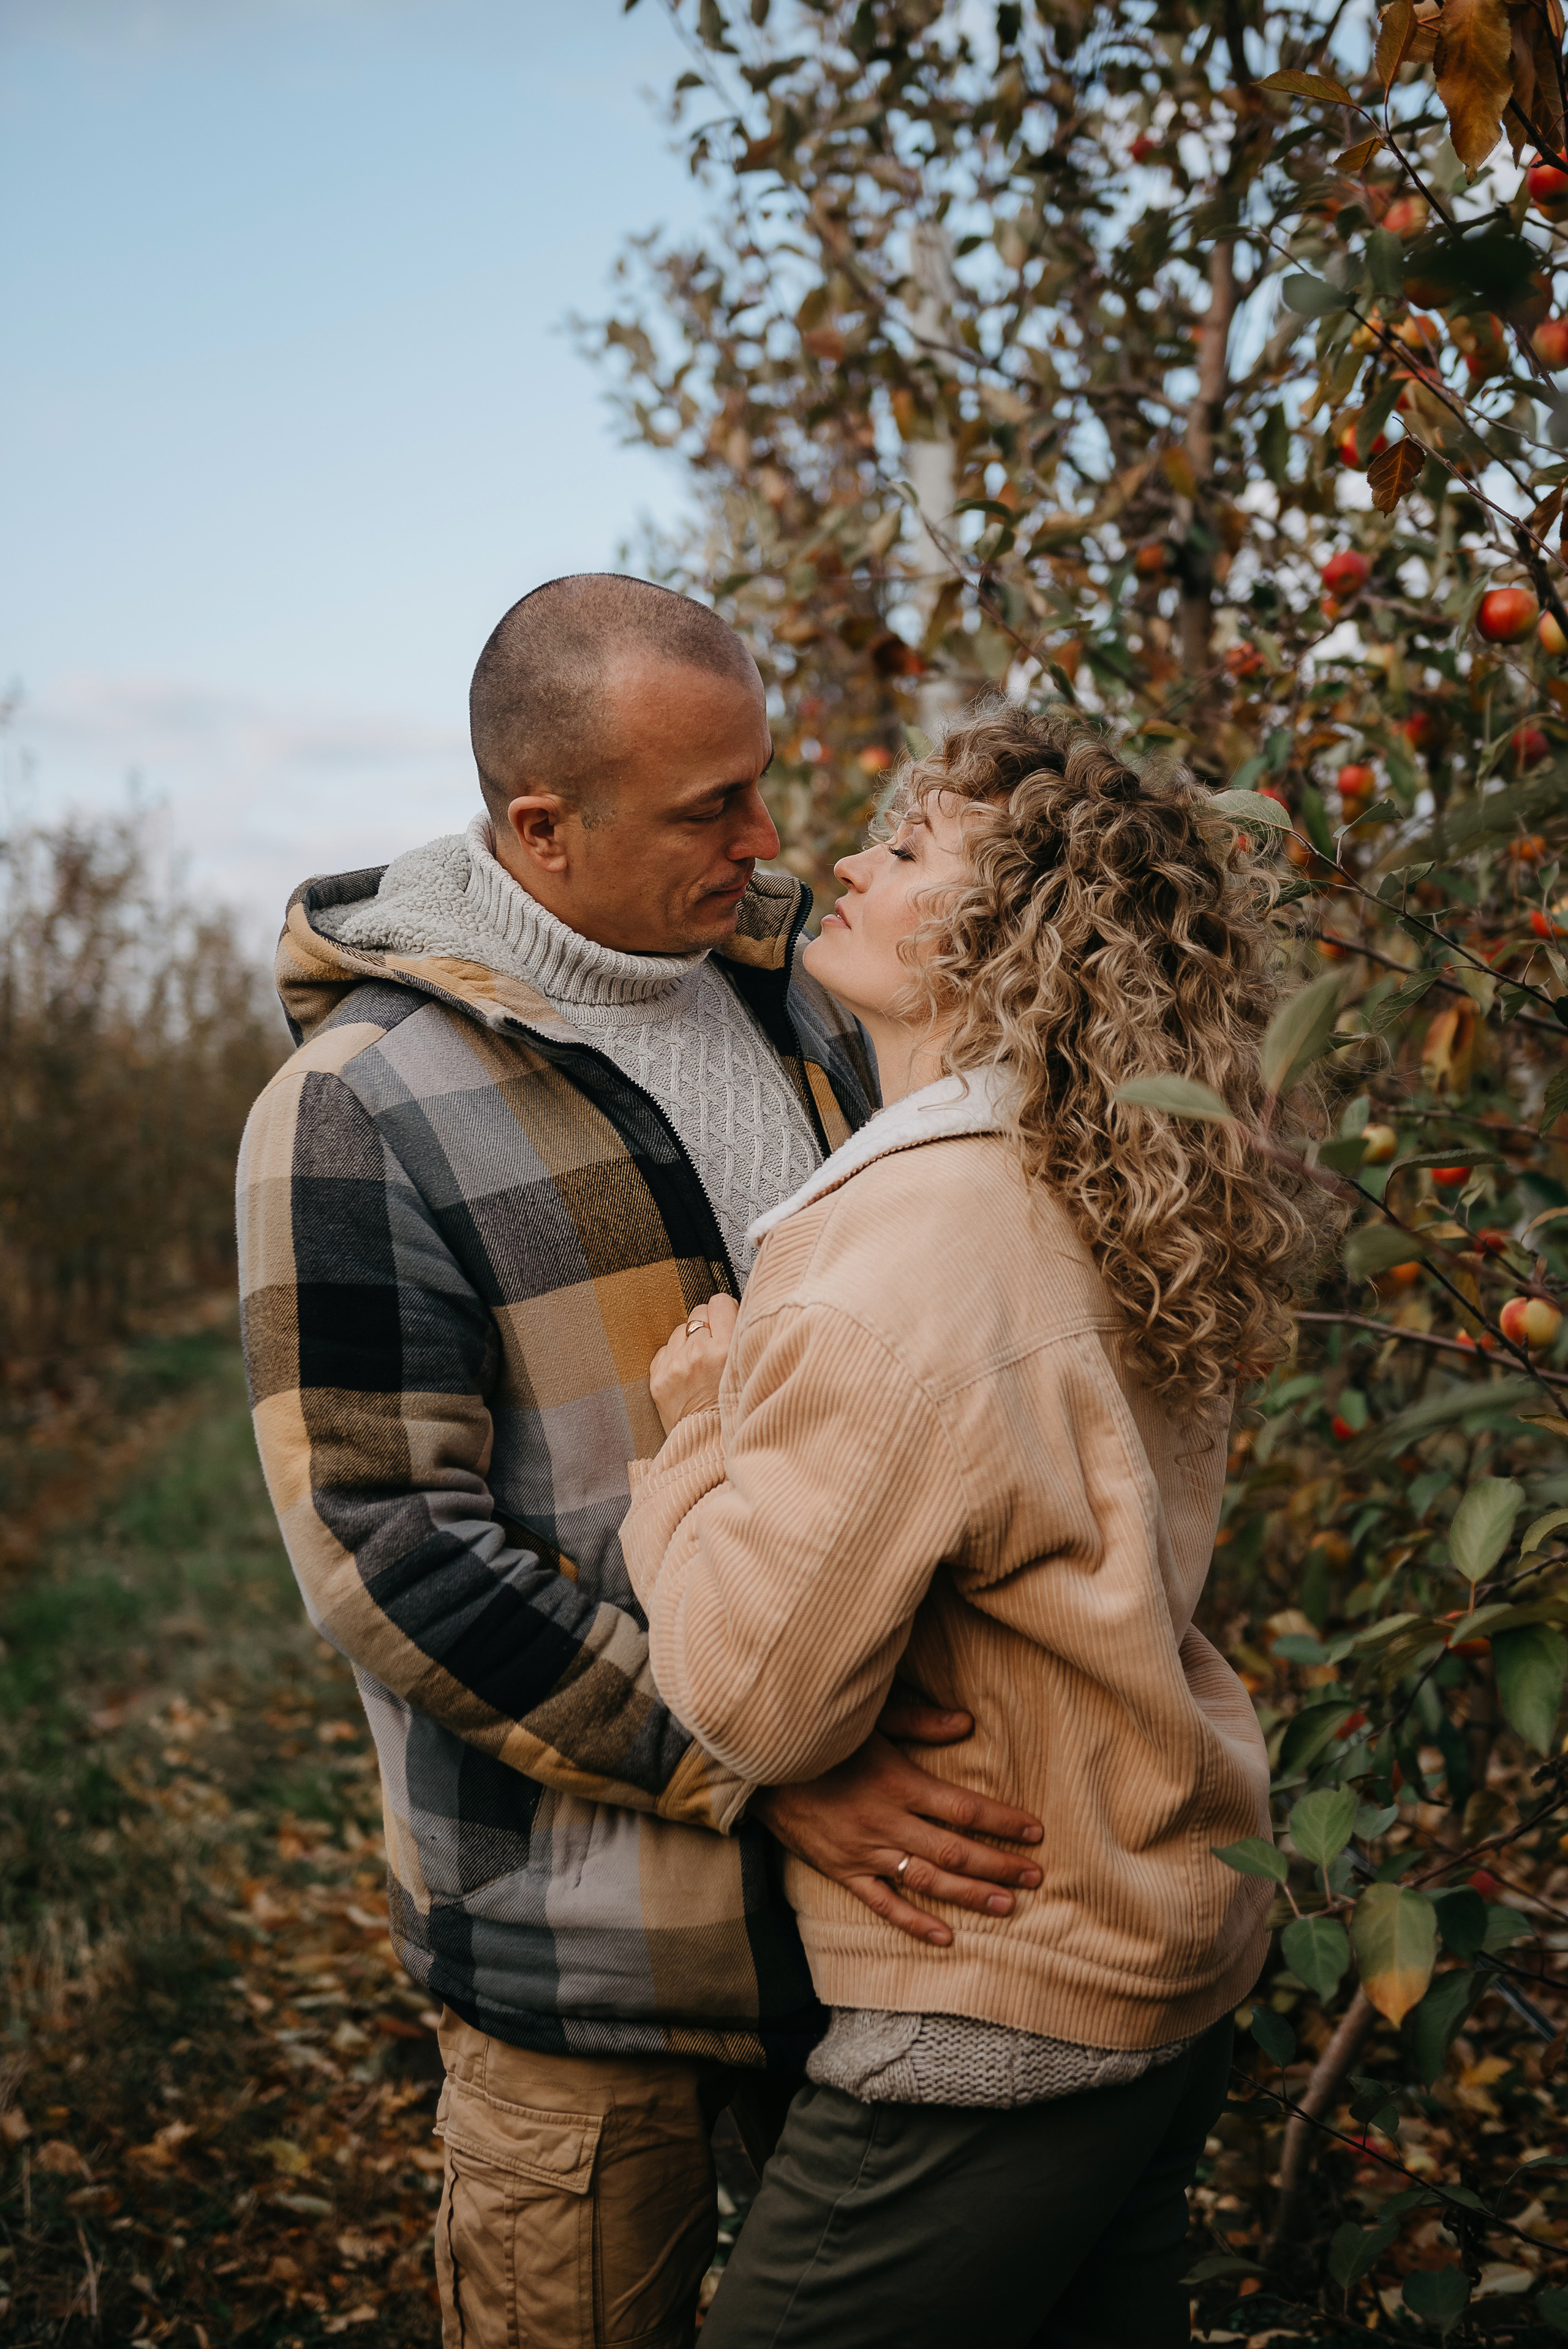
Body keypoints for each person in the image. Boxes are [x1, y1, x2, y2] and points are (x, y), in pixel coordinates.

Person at [236, 576, 1047, 2349]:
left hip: (885, 1924)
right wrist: (754, 1763)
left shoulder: (808, 1004)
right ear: (544, 826)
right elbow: (390, 1549)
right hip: (594, 1949)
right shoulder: (365, 1105)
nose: (767, 840)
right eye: (711, 808)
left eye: (762, 782)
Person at [622, 702, 1328, 2348]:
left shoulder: (905, 1255)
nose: (848, 863)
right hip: (1160, 1946)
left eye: (911, 848)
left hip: (1001, 2000)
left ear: (1008, 937)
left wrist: (692, 1443)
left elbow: (755, 1701)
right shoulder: (1108, 1178)